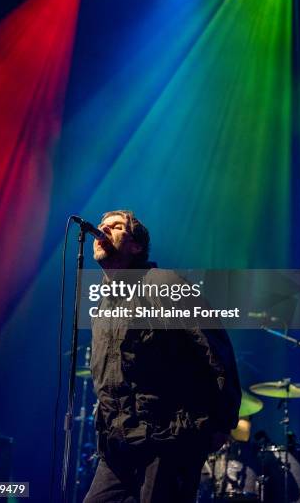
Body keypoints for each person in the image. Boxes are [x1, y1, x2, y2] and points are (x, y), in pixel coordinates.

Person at [84, 210, 241, 503]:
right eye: (102, 225)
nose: (102, 230)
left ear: (136, 246)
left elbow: (215, 348)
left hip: (167, 440)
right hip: (117, 447)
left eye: (115, 227)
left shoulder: (165, 283)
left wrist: (222, 421)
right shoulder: (103, 302)